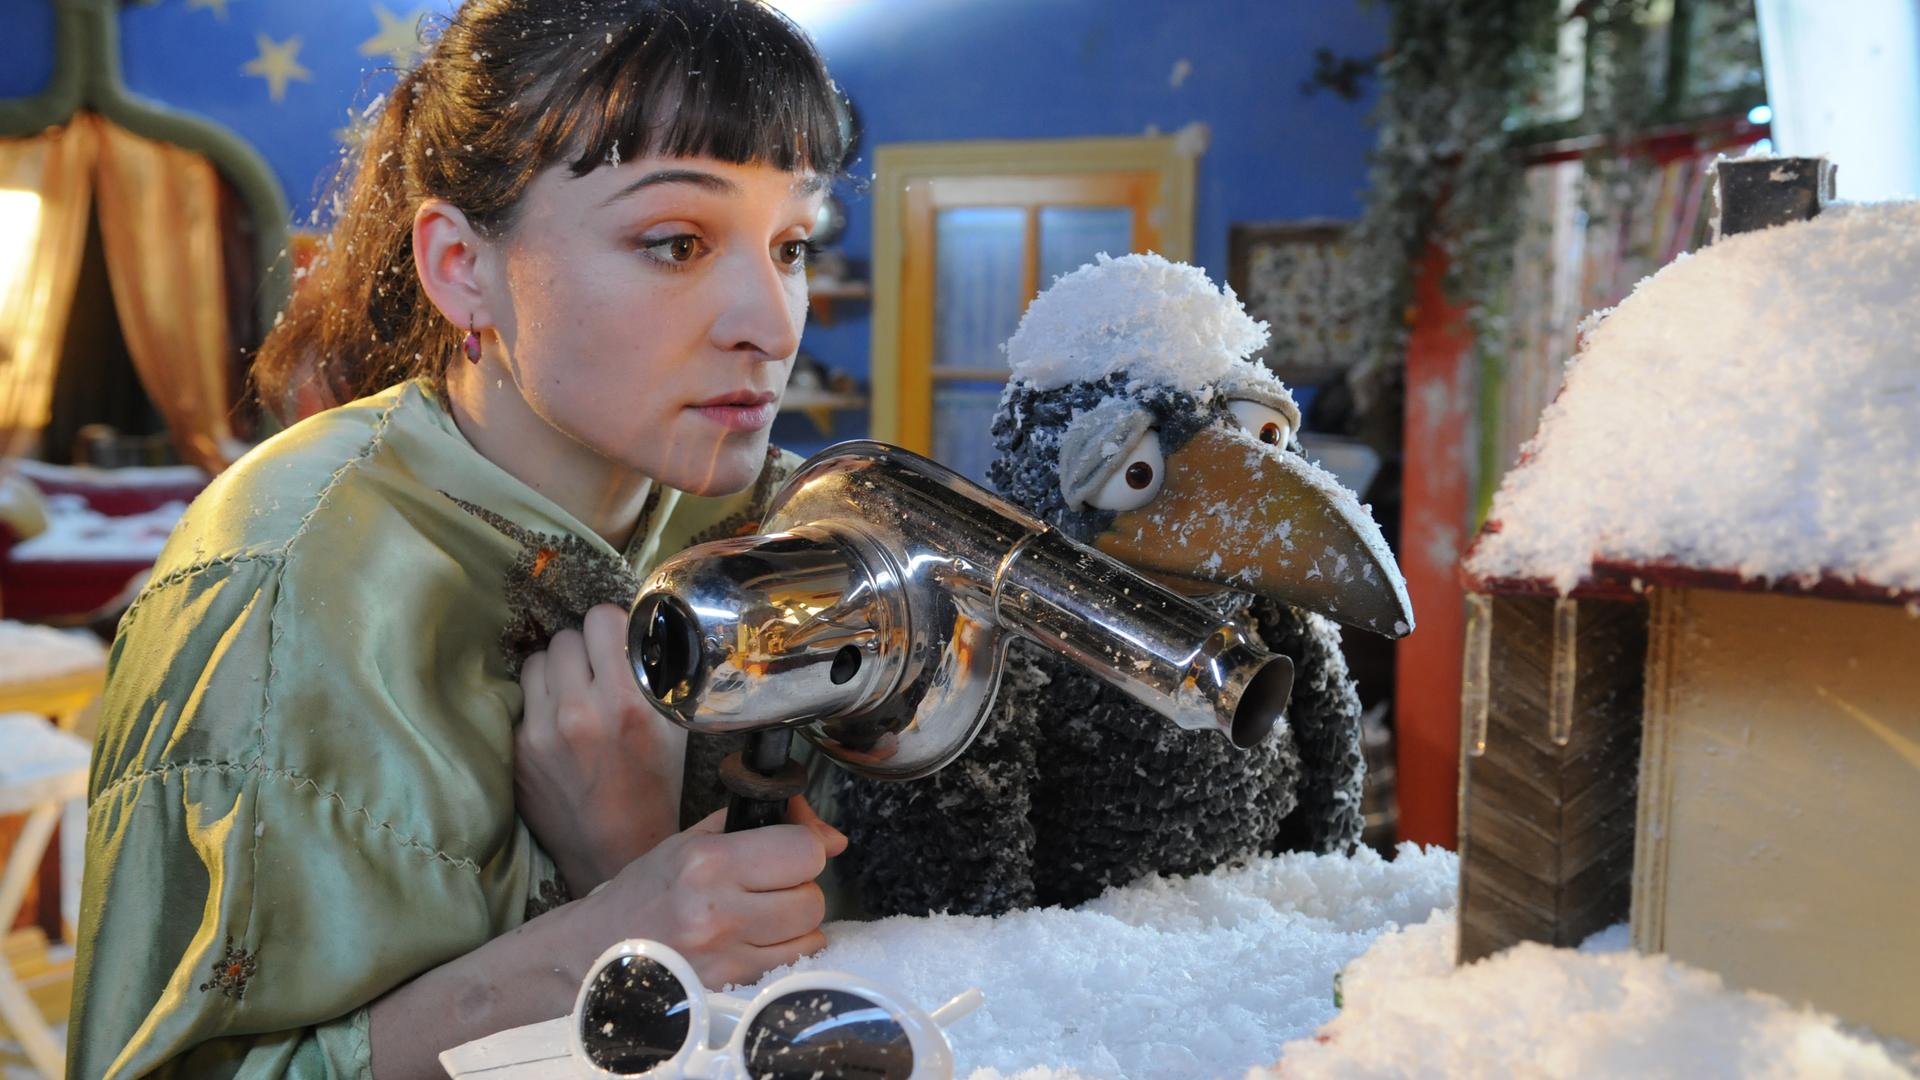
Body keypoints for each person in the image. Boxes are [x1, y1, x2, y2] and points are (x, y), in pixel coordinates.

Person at [66, 2, 851, 1076]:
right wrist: (608, 938)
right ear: (460, 265)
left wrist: (630, 854)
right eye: (676, 243)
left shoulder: (778, 526)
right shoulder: (277, 582)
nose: (772, 323)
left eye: (792, 245)